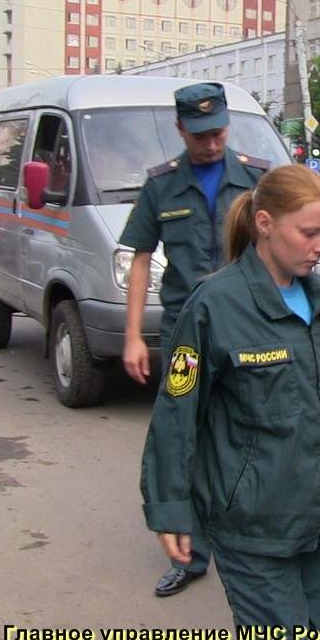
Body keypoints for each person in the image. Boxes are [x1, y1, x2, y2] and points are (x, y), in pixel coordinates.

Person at [140, 164, 320, 640]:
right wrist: (169, 508)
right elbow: (176, 416)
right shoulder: (213, 306)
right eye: (309, 232)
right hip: (252, 530)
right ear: (264, 224)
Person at [119, 82, 271, 597]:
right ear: (181, 130)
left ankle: (255, 536)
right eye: (201, 134)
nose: (212, 142)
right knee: (186, 436)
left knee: (253, 429)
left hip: (246, 328)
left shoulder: (255, 178)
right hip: (185, 334)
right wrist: (133, 336)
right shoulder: (160, 187)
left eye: (219, 131)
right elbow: (140, 257)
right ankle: (192, 554)